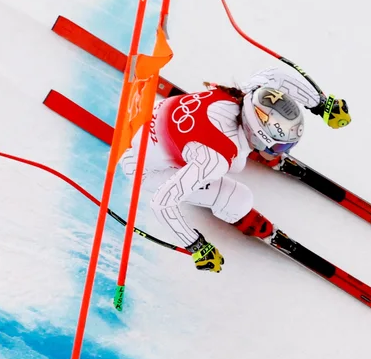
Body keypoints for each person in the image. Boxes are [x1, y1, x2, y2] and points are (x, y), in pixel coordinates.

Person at [119, 67, 350, 273]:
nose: (282, 149)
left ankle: (248, 153)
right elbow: (162, 202)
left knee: (237, 162)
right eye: (280, 145)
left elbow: (275, 76)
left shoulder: (247, 95)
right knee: (239, 198)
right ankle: (237, 215)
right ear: (259, 134)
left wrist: (320, 104)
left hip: (143, 119)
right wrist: (197, 246)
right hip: (143, 169)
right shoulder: (213, 160)